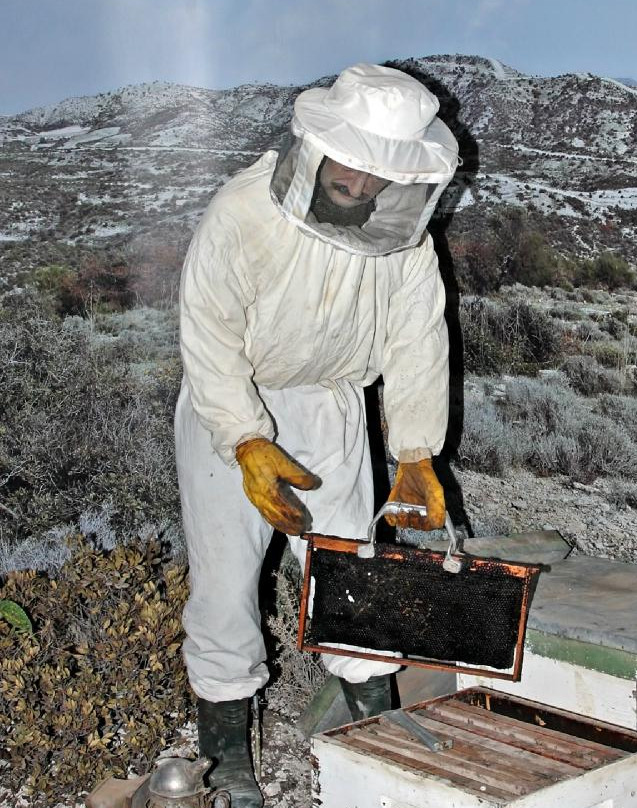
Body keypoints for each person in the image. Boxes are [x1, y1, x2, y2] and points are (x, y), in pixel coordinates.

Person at [174, 63, 459, 807]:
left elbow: (416, 342)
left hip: (331, 407)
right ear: (317, 144)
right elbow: (208, 333)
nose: (361, 186)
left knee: (351, 573)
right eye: (351, 163)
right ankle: (228, 758)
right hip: (232, 407)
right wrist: (243, 437)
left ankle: (377, 726)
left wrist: (415, 452)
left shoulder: (407, 241)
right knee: (226, 580)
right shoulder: (242, 211)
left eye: (379, 174)